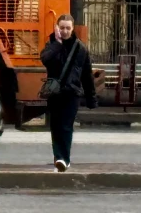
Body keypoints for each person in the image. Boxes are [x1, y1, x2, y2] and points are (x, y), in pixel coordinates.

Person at [40, 14, 97, 172]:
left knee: (66, 126)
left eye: (68, 28)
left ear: (72, 29)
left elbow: (87, 75)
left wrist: (92, 99)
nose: (65, 31)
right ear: (57, 28)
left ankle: (63, 159)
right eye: (62, 27)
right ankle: (58, 158)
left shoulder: (80, 48)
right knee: (55, 127)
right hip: (55, 93)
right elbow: (44, 59)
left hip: (72, 93)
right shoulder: (51, 43)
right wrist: (57, 45)